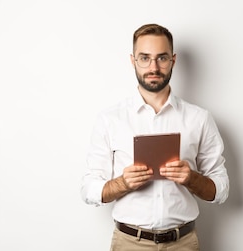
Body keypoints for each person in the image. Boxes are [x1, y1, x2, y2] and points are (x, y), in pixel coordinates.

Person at [80, 23, 229, 251]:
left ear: (173, 60)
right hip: (129, 243)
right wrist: (122, 183)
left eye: (162, 58)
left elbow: (221, 190)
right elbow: (89, 189)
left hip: (183, 244)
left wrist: (191, 178)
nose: (154, 67)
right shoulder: (110, 120)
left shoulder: (199, 119)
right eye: (144, 58)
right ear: (133, 61)